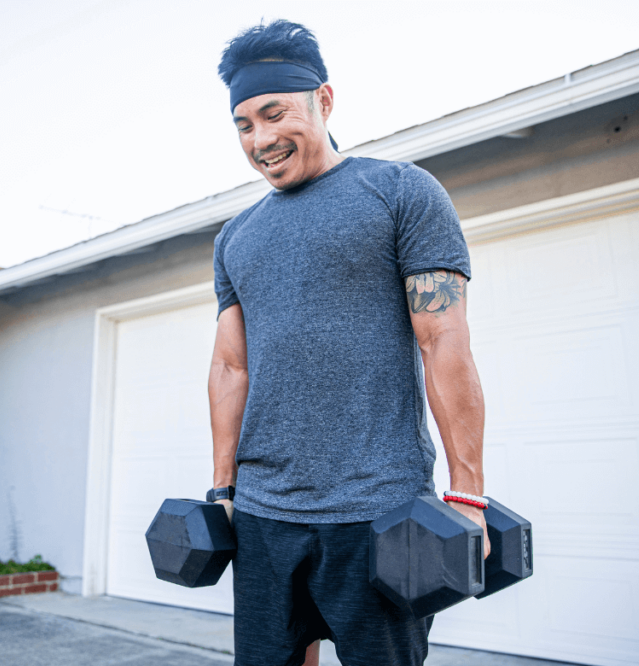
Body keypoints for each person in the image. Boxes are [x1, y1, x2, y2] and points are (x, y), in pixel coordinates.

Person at [206, 20, 489, 666]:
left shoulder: (400, 193)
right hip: (263, 514)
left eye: (274, 115)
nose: (261, 140)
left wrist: (467, 494)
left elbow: (443, 340)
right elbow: (230, 368)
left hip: (378, 509)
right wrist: (223, 491)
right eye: (243, 125)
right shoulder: (235, 239)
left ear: (324, 101)